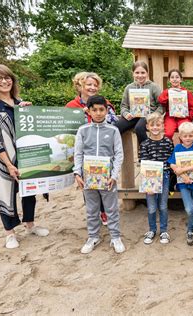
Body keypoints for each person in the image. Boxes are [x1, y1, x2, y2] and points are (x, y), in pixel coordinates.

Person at [0, 64, 49, 249]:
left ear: (13, 80)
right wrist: (9, 164)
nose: (4, 81)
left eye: (7, 77)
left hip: (26, 157)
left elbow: (31, 129)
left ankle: (30, 225)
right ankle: (10, 234)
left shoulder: (20, 103)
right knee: (6, 194)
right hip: (4, 159)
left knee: (29, 192)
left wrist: (30, 112)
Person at [73, 95, 125, 254]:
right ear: (88, 111)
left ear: (106, 110)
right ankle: (93, 236)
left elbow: (118, 154)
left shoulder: (113, 130)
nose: (98, 113)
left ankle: (115, 237)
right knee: (91, 208)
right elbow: (78, 154)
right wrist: (77, 173)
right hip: (88, 178)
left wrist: (114, 176)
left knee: (111, 208)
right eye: (94, 110)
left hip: (107, 178)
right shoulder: (82, 130)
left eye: (101, 109)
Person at [65, 71, 115, 226]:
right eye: (89, 84)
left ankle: (104, 211)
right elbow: (64, 128)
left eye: (95, 85)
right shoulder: (71, 107)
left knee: (104, 181)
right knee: (88, 184)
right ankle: (94, 214)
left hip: (103, 150)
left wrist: (96, 114)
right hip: (84, 151)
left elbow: (113, 121)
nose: (92, 87)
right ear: (80, 85)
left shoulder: (103, 102)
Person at [139, 112, 174, 245]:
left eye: (158, 125)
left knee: (163, 205)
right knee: (152, 207)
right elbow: (143, 163)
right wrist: (149, 185)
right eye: (152, 125)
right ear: (147, 126)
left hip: (164, 176)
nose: (155, 127)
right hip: (150, 178)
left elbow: (171, 160)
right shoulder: (145, 144)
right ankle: (152, 229)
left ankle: (164, 230)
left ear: (162, 126)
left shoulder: (168, 142)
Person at [168, 122, 193, 247]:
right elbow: (172, 163)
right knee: (189, 209)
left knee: (192, 207)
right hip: (183, 183)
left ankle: (190, 230)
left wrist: (183, 170)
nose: (188, 138)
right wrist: (182, 175)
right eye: (185, 136)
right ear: (181, 137)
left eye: (190, 136)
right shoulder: (178, 148)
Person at [115, 61, 163, 145]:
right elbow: (123, 106)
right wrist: (126, 113)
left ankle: (146, 152)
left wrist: (155, 115)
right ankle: (114, 152)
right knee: (116, 128)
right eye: (137, 73)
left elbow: (161, 106)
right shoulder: (129, 87)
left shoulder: (154, 87)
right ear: (133, 73)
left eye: (143, 73)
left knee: (139, 128)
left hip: (148, 115)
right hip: (133, 115)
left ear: (147, 73)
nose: (140, 75)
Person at [158, 69, 193, 140]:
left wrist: (188, 116)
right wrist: (169, 93)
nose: (175, 79)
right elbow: (161, 100)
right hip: (170, 117)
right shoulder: (167, 91)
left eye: (177, 77)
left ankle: (183, 150)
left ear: (181, 79)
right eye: (172, 77)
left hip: (184, 117)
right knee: (168, 134)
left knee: (185, 133)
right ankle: (169, 149)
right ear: (169, 80)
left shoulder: (186, 92)